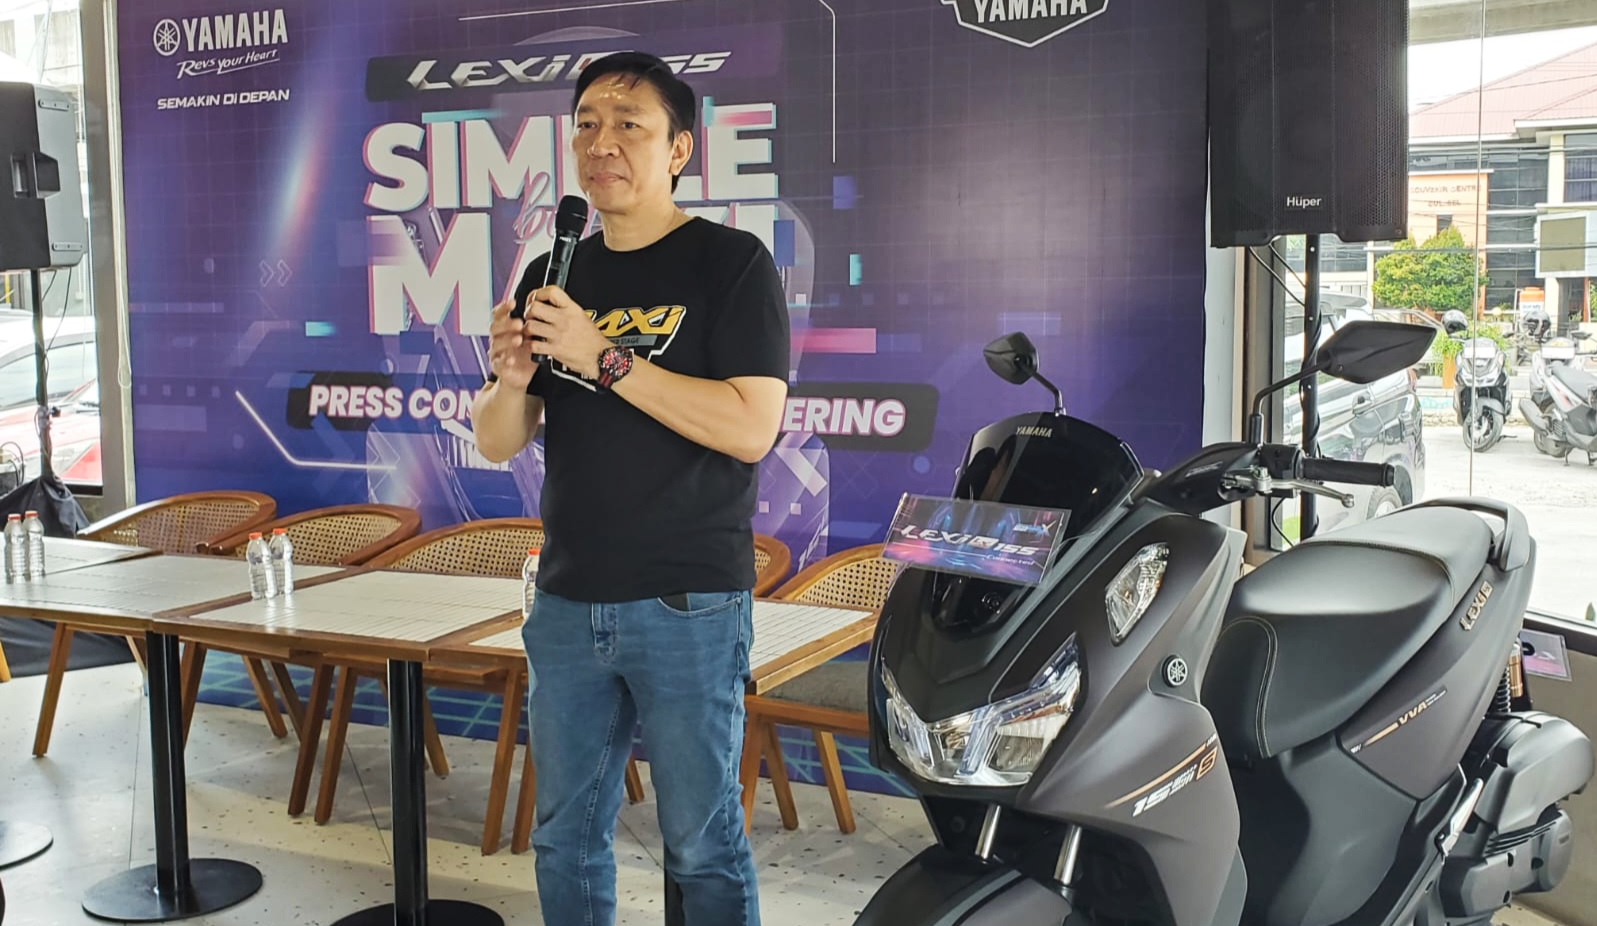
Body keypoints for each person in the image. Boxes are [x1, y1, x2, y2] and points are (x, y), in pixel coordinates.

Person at [470, 51, 789, 926]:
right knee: (563, 838)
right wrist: (509, 379)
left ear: (679, 149)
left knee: (700, 844)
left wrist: (602, 357)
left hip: (687, 600)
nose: (600, 143)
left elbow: (749, 427)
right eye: (585, 125)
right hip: (567, 599)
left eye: (627, 125)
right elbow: (498, 440)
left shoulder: (729, 263)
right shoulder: (553, 271)